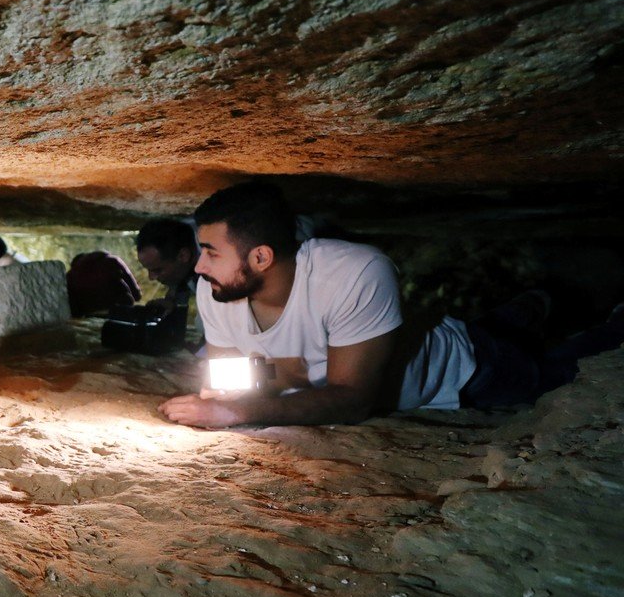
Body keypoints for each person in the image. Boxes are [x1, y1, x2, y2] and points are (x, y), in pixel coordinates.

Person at [158, 181, 624, 428]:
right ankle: (538, 299)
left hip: (464, 371)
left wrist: (238, 412)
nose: (198, 266)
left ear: (260, 257)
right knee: (510, 323)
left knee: (551, 372)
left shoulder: (354, 272)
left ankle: (608, 321)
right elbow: (237, 379)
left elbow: (354, 399)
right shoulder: (217, 290)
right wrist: (231, 397)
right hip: (416, 336)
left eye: (211, 251)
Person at [134, 218, 198, 315]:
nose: (151, 278)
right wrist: (172, 300)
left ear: (183, 256)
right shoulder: (178, 235)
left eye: (158, 270)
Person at [65, 250, 141, 316]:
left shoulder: (70, 275)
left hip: (88, 312)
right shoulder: (112, 260)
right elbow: (135, 291)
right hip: (119, 307)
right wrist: (136, 296)